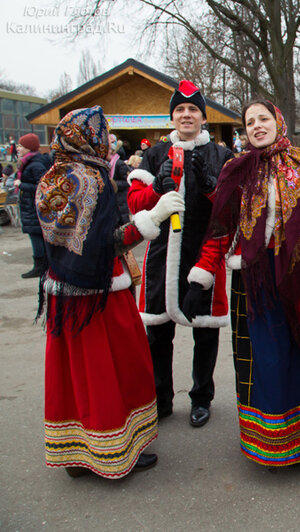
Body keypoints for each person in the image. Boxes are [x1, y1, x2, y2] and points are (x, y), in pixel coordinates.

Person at [184, 100, 300, 466]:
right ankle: (274, 443)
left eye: (264, 119)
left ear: (279, 122)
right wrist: (203, 276)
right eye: (250, 122)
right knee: (267, 360)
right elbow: (221, 230)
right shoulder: (235, 170)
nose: (257, 126)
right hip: (255, 281)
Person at [36, 106, 185, 478]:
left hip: (61, 293)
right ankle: (113, 452)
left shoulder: (53, 175)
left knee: (74, 376)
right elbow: (109, 243)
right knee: (110, 370)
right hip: (100, 296)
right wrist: (154, 217)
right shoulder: (93, 179)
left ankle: (76, 455)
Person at [127, 80, 233, 427]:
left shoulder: (221, 155)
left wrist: (209, 187)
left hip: (205, 252)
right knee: (158, 332)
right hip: (162, 256)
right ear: (172, 116)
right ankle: (161, 397)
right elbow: (135, 206)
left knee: (205, 330)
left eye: (193, 110)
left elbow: (229, 209)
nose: (186, 115)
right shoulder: (154, 154)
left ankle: (201, 397)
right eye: (180, 110)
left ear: (203, 117)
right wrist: (156, 187)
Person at [15, 133, 51, 278]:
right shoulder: (29, 162)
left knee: (36, 235)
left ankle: (40, 266)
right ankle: (42, 265)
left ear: (28, 148)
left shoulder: (35, 164)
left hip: (34, 206)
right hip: (30, 206)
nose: (17, 148)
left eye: (21, 146)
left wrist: (22, 185)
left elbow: (43, 186)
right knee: (35, 235)